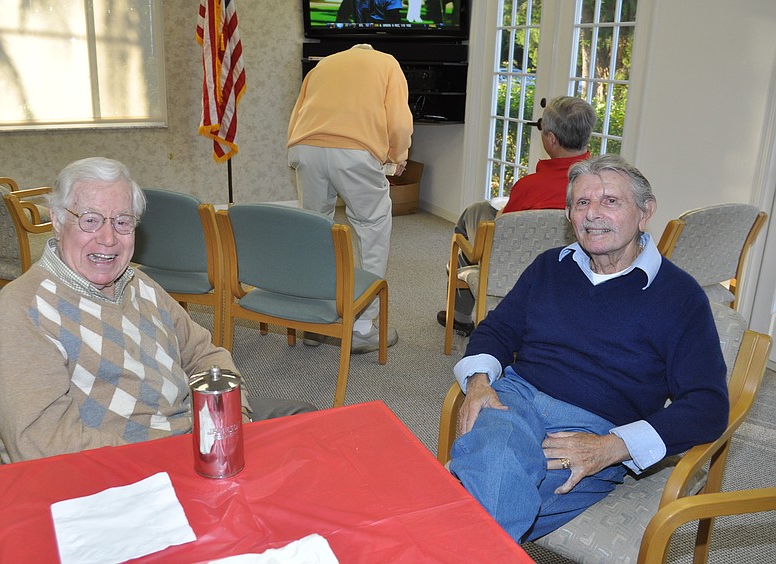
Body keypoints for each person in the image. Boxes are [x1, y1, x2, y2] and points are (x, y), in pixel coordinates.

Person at [449, 154, 729, 543]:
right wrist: (479, 382)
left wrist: (611, 448)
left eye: (610, 201)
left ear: (645, 212)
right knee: (496, 465)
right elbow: (497, 329)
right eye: (582, 203)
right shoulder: (550, 266)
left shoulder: (680, 296)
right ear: (569, 214)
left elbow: (708, 404)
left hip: (593, 431)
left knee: (485, 493)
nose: (593, 214)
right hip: (516, 401)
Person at [0, 157, 315, 463]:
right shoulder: (23, 314)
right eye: (91, 220)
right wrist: (172, 454)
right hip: (125, 465)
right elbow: (44, 445)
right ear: (58, 221)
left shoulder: (137, 282)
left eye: (123, 222)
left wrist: (231, 415)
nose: (108, 239)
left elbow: (203, 353)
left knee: (307, 424)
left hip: (193, 426)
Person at [288, 43, 413, 353]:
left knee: (313, 231)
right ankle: (362, 327)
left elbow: (298, 112)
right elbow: (398, 121)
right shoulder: (387, 63)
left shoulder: (323, 65)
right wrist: (397, 156)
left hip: (306, 147)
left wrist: (296, 153)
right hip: (355, 152)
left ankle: (313, 322)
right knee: (372, 229)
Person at [438, 96, 596, 336]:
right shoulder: (601, 183)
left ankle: (460, 315)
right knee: (478, 210)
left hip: (521, 274)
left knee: (469, 227)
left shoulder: (529, 187)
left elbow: (502, 236)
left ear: (551, 139)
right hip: (576, 273)